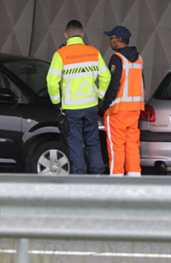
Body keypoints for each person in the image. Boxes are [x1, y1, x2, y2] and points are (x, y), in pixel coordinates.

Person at [46, 20, 111, 174]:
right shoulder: (93, 52)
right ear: (82, 34)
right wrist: (99, 96)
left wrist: (57, 103)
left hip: (71, 109)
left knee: (75, 143)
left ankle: (80, 177)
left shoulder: (60, 54)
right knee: (93, 143)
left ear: (66, 35)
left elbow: (51, 82)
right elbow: (106, 76)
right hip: (90, 106)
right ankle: (97, 174)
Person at [99, 25, 144, 177]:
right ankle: (134, 176)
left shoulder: (117, 58)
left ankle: (116, 179)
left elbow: (114, 84)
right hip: (134, 109)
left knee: (115, 145)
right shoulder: (139, 58)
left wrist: (106, 105)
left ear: (118, 40)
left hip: (117, 110)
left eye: (111, 38)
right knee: (132, 144)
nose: (109, 41)